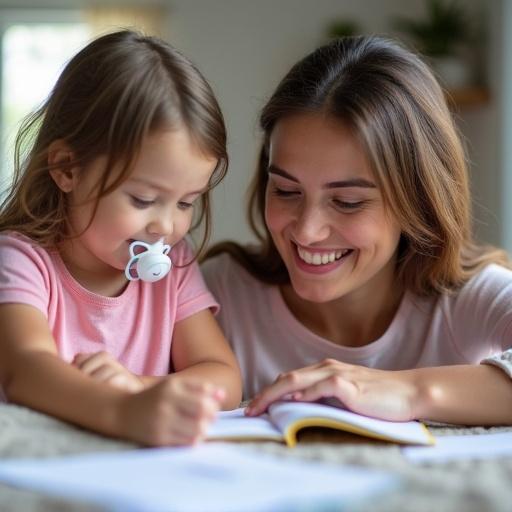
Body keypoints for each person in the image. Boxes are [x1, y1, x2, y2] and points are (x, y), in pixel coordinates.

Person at [202, 35, 512, 426]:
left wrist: (406, 391)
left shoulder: (468, 298)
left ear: (416, 199)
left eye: (348, 201)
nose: (308, 231)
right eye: (285, 190)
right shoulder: (219, 296)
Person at [0, 30, 242, 446]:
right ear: (67, 168)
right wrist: (121, 409)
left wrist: (136, 385)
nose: (165, 227)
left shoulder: (175, 269)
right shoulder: (20, 260)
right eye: (144, 198)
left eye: (186, 203)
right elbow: (25, 370)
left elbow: (224, 377)